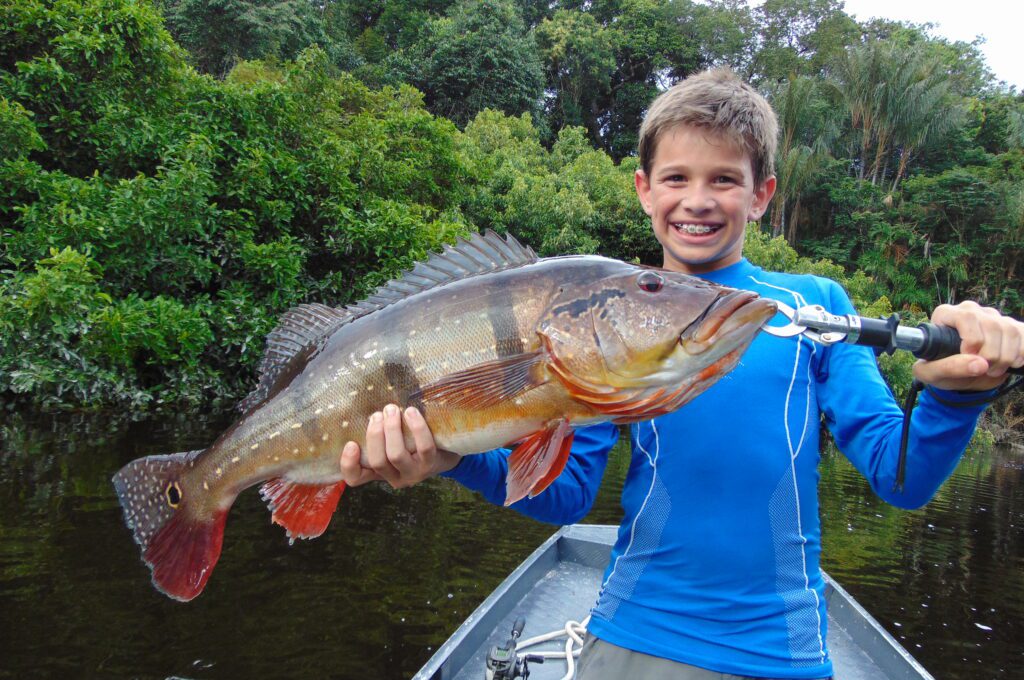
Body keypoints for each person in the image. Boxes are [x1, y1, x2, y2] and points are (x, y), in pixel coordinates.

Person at [339, 69, 1024, 679]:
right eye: (676, 178)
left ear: (762, 195)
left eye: (724, 179)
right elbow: (568, 495)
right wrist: (449, 459)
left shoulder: (817, 308)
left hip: (779, 650)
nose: (697, 199)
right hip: (634, 634)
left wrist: (956, 395)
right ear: (644, 190)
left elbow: (898, 474)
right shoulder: (598, 324)